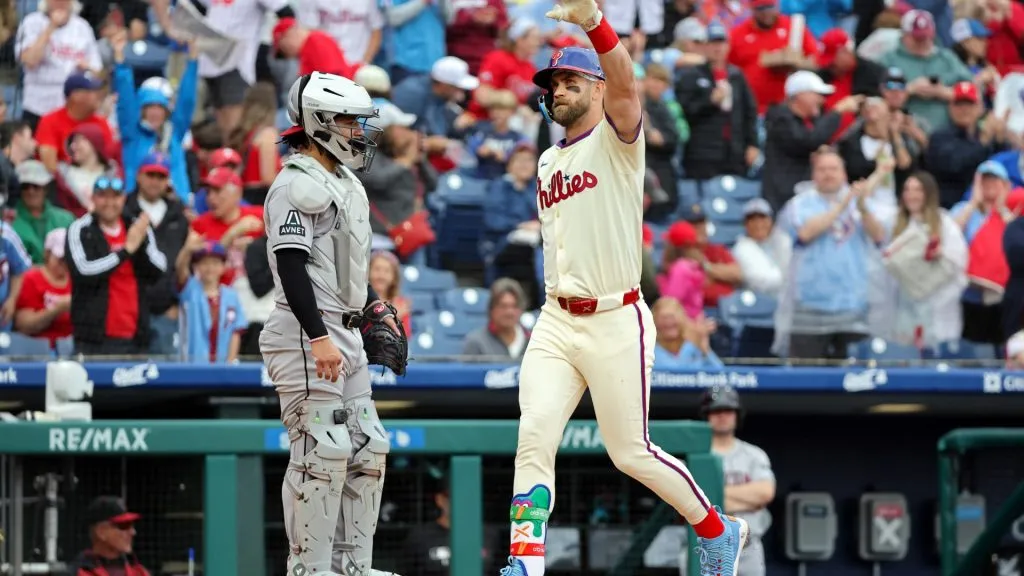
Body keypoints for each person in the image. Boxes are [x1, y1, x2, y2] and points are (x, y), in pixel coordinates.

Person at [501, 0, 748, 570]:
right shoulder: (545, 161)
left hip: (616, 316)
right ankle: (527, 560)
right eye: (552, 81)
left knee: (629, 453)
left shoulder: (618, 137)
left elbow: (626, 85)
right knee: (534, 434)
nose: (557, 88)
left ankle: (716, 530)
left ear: (593, 85)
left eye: (568, 79)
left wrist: (595, 25)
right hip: (558, 318)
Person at [258, 72, 403, 576]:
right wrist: (319, 336)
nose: (358, 131)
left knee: (368, 444)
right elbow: (292, 266)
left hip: (342, 331)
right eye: (349, 120)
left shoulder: (344, 181)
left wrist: (372, 311)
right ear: (319, 122)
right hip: (305, 334)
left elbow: (341, 268)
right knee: (321, 450)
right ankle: (310, 568)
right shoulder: (295, 183)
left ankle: (351, 567)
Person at [65, 175, 168, 356]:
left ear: (123, 199)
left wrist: (139, 246)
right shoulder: (80, 229)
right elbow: (83, 270)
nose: (109, 202)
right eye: (103, 196)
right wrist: (125, 251)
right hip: (93, 339)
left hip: (136, 337)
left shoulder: (137, 227)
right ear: (93, 199)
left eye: (115, 197)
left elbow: (160, 267)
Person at [700, 386, 775, 576]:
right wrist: (748, 498)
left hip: (748, 549)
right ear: (706, 415)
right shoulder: (696, 456)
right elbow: (688, 502)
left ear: (737, 414)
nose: (722, 416)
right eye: (716, 411)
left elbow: (765, 493)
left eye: (728, 410)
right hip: (706, 551)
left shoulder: (754, 455)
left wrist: (713, 497)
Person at [67, 496, 150, 576]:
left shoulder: (139, 572)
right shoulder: (76, 572)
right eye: (124, 526)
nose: (133, 532)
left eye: (132, 526)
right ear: (101, 532)